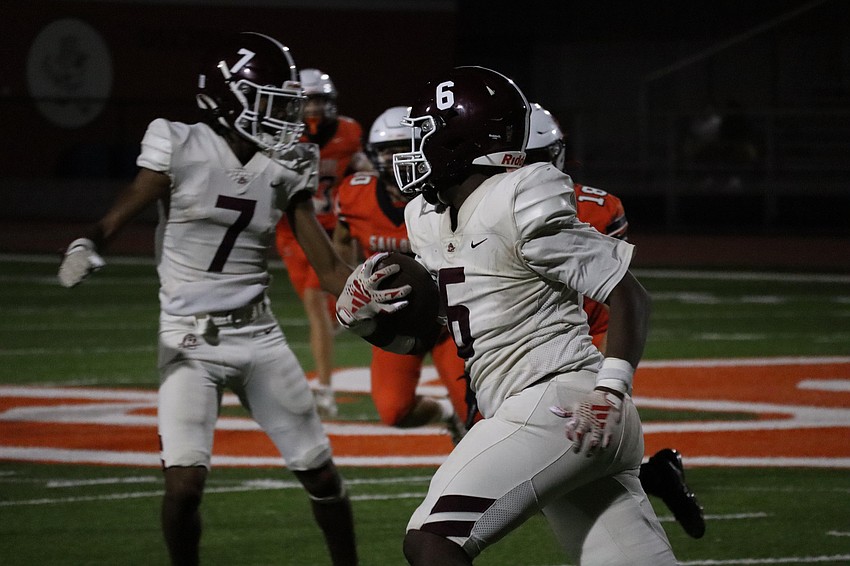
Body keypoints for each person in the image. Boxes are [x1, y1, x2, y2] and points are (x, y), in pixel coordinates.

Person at [336, 66, 677, 564]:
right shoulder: (427, 218)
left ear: (460, 141)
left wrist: (610, 390)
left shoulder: (519, 196)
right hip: (561, 418)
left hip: (558, 406)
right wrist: (366, 318)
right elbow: (433, 334)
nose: (413, 150)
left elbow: (630, 296)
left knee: (430, 540)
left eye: (425, 134)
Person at [57, 32, 360, 566]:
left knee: (321, 472)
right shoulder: (180, 143)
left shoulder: (286, 165)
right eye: (271, 102)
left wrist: (384, 295)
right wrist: (90, 240)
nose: (286, 117)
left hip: (260, 335)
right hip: (189, 338)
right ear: (229, 98)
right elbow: (127, 202)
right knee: (183, 486)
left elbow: (330, 269)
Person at [526, 102, 705, 539]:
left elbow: (617, 289)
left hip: (584, 334)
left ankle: (643, 488)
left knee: (562, 449)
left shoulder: (597, 206)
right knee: (551, 454)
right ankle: (655, 475)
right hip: (535, 336)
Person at [332, 106, 468, 443]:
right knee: (394, 410)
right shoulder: (356, 194)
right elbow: (340, 241)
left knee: (477, 413)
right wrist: (357, 283)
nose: (395, 158)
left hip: (450, 318)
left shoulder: (447, 195)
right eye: (386, 150)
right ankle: (445, 415)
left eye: (402, 147)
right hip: (395, 317)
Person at [275, 68, 373, 418]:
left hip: (332, 228)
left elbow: (359, 166)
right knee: (324, 312)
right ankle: (336, 336)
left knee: (318, 305)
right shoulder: (283, 136)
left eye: (320, 100)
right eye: (308, 100)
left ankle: (325, 388)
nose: (314, 108)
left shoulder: (348, 132)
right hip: (291, 229)